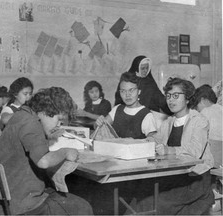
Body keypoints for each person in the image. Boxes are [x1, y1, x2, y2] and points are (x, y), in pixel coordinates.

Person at [0, 87, 93, 215]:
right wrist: (66, 151)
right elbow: (43, 161)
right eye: (59, 120)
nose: (58, 125)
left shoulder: (22, 114)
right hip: (23, 205)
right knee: (83, 207)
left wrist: (47, 136)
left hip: (9, 200)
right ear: (46, 112)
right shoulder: (31, 123)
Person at [136, 77, 214, 215]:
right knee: (138, 195)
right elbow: (157, 140)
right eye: (168, 96)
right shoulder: (168, 122)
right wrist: (148, 141)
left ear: (188, 98)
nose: (170, 100)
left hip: (195, 179)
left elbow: (194, 152)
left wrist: (168, 150)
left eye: (176, 96)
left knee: (150, 203)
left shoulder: (199, 121)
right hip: (175, 177)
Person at [95, 72, 157, 139]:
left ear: (139, 91)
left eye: (131, 90)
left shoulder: (146, 115)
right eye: (123, 91)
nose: (127, 95)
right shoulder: (117, 109)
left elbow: (152, 142)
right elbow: (99, 128)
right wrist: (97, 123)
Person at [190, 84, 223, 168]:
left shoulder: (205, 112)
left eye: (197, 107)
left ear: (203, 100)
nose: (197, 110)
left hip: (212, 164)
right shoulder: (220, 109)